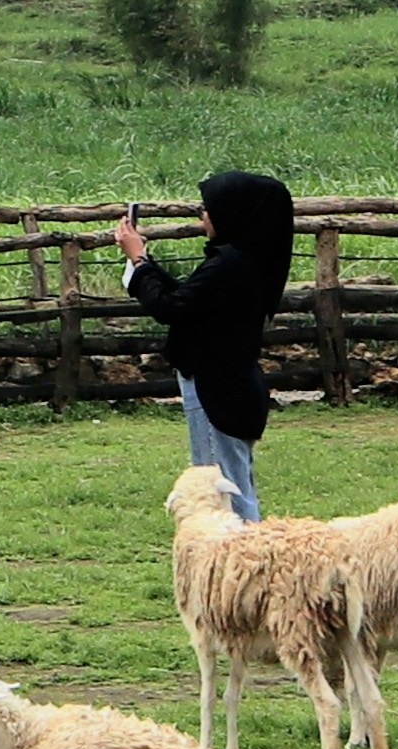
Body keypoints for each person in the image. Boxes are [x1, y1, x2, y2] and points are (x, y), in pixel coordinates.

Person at [119, 171, 288, 522]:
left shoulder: (229, 263)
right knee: (233, 481)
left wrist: (137, 262)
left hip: (218, 388)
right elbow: (187, 300)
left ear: (233, 213)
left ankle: (244, 565)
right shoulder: (246, 260)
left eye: (209, 208)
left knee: (222, 488)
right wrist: (144, 264)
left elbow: (170, 308)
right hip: (233, 385)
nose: (203, 215)